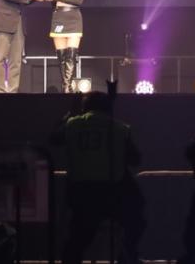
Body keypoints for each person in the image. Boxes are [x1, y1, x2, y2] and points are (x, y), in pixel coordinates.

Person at [57, 91, 145, 264]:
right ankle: (128, 254)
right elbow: (136, 159)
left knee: (77, 240)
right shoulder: (119, 128)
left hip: (80, 195)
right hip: (113, 195)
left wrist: (68, 115)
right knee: (137, 217)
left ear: (84, 107)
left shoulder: (72, 125)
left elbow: (54, 139)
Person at [41, 0, 87, 93]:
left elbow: (79, 0)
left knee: (71, 56)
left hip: (73, 19)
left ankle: (67, 89)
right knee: (61, 58)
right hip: (58, 19)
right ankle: (65, 87)